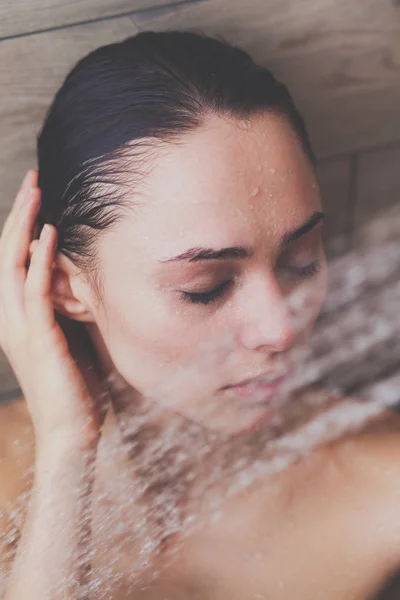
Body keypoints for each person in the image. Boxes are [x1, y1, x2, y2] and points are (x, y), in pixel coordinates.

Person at [0, 30, 400, 600]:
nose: (281, 328)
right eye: (206, 288)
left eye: (300, 262)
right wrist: (68, 450)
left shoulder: (381, 477)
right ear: (66, 288)